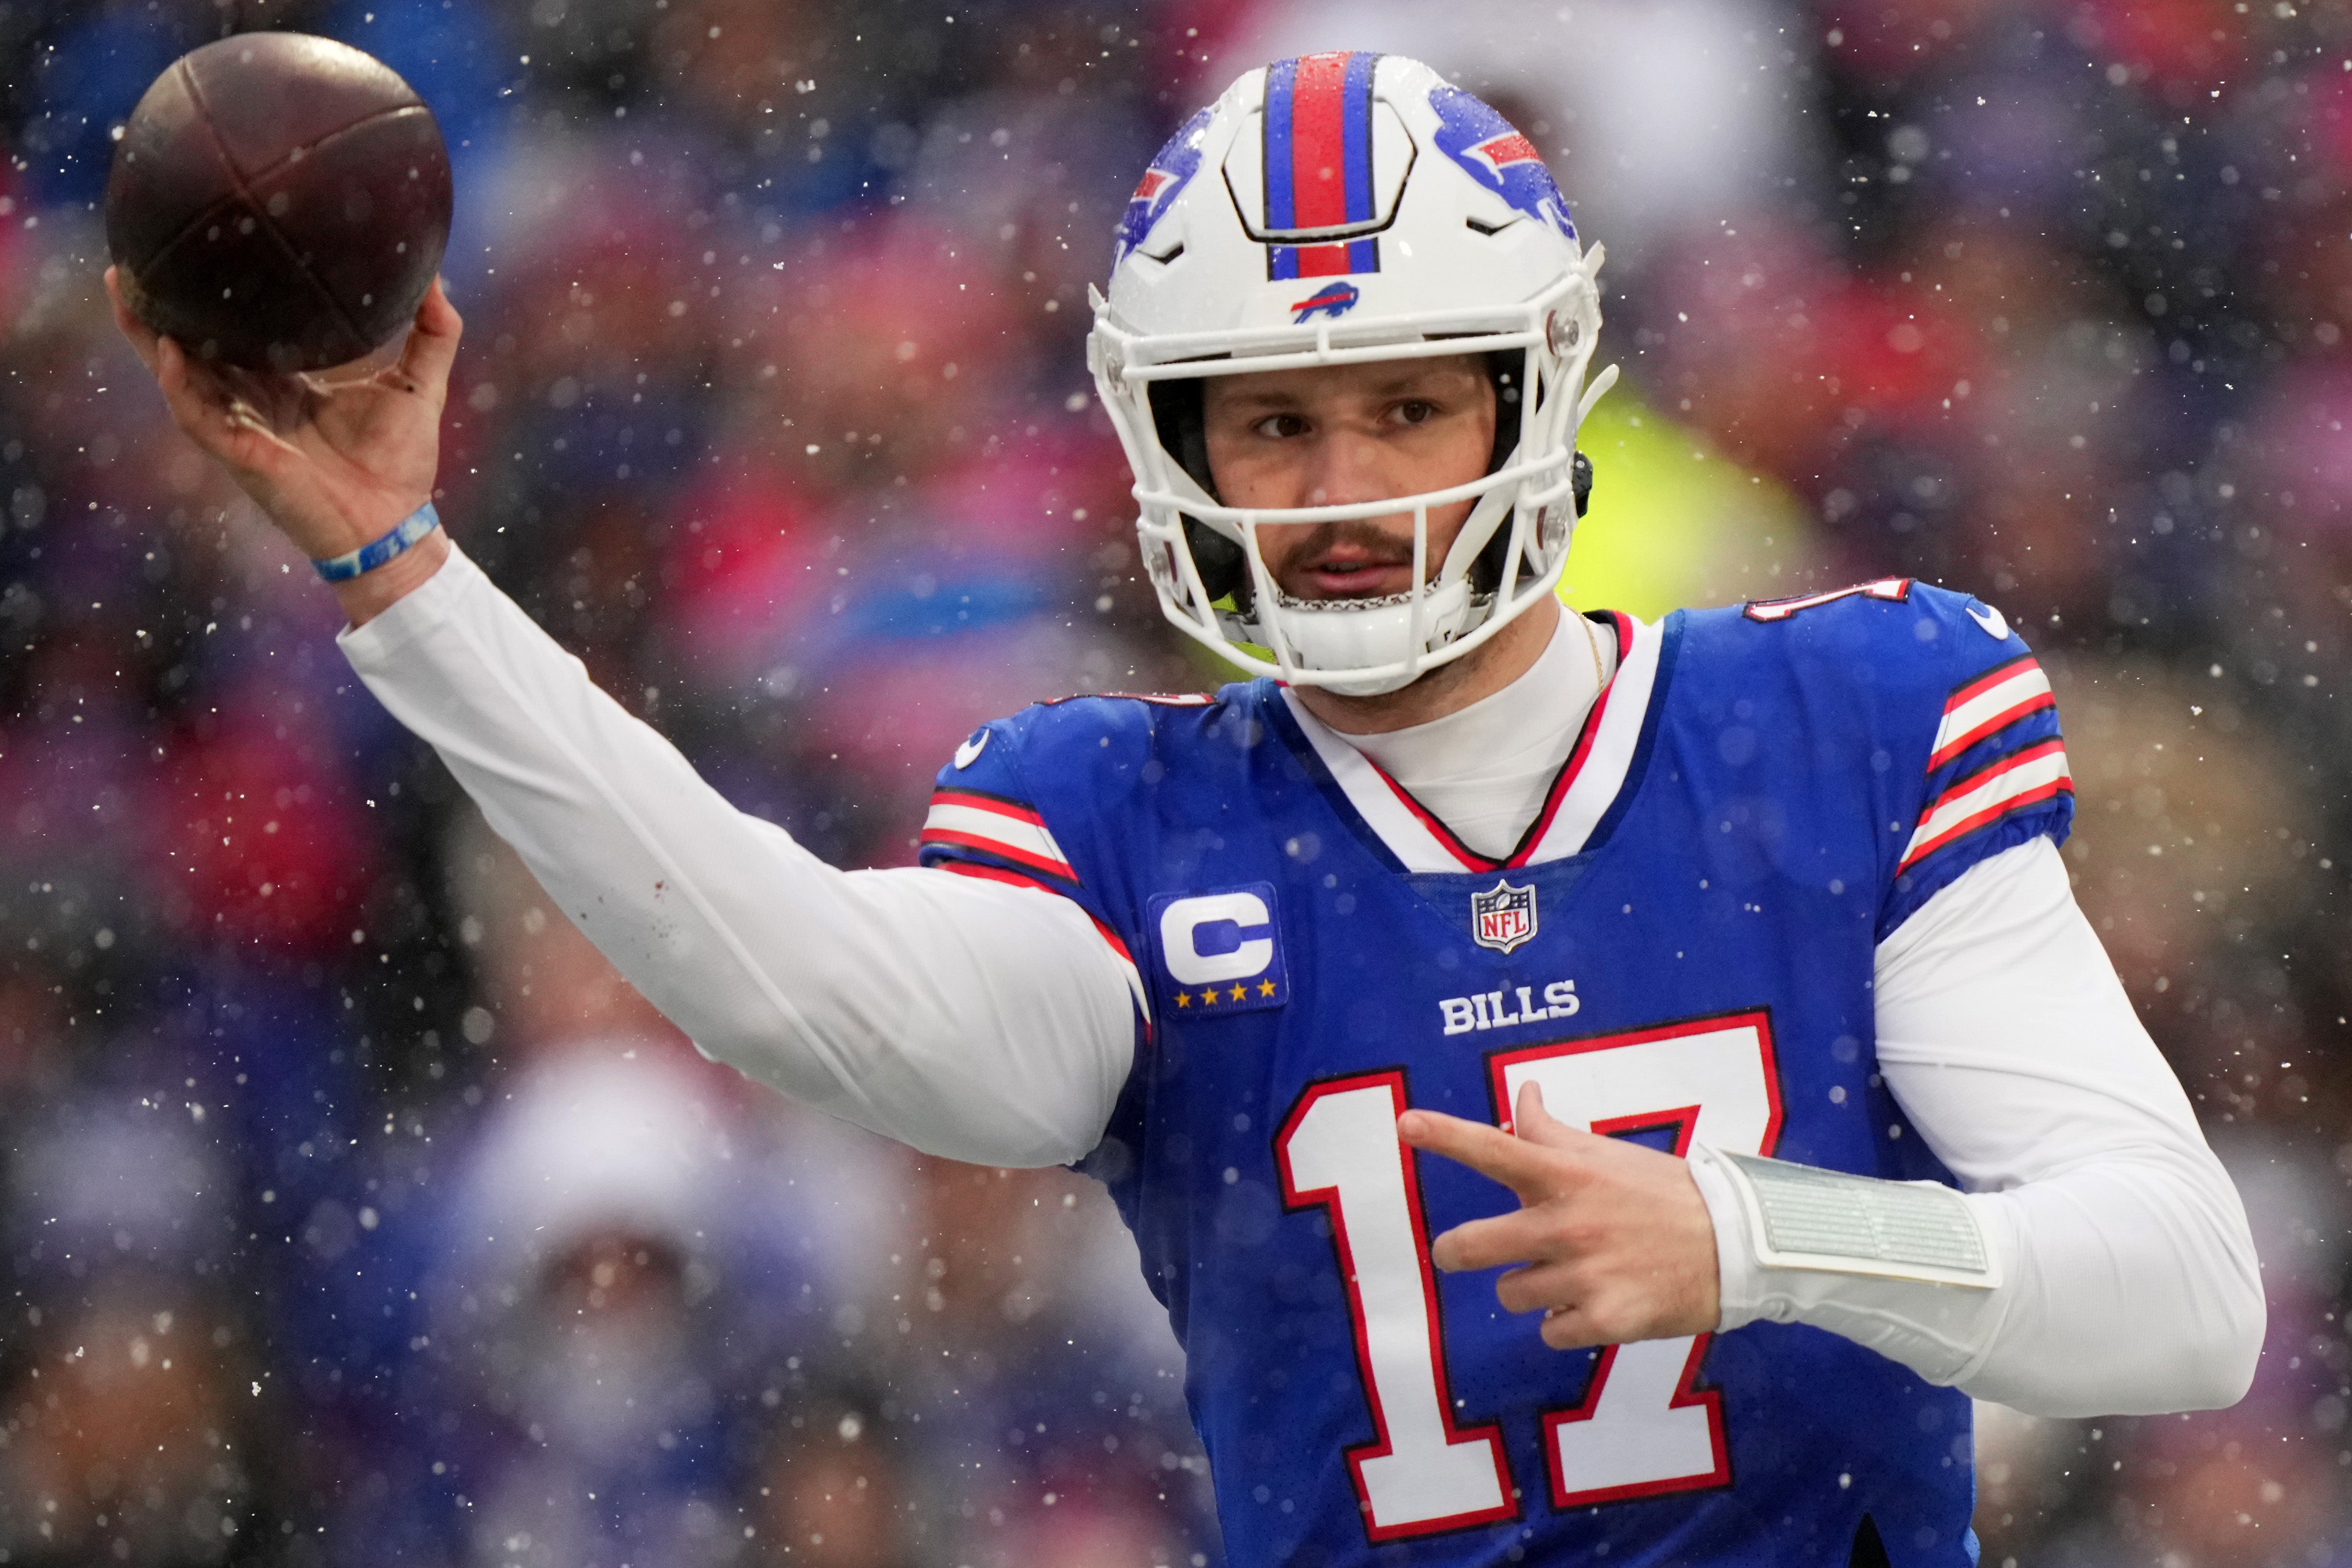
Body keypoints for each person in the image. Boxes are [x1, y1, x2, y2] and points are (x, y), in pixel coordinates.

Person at [112, 51, 2261, 1568]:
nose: (1343, 491)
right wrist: (405, 577)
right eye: (1275, 425)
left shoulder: (1839, 720)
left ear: (1531, 395)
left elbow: (2178, 1293)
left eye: (1405, 404)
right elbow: (796, 983)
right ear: (1176, 449)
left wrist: (1752, 1239)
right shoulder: (1127, 817)